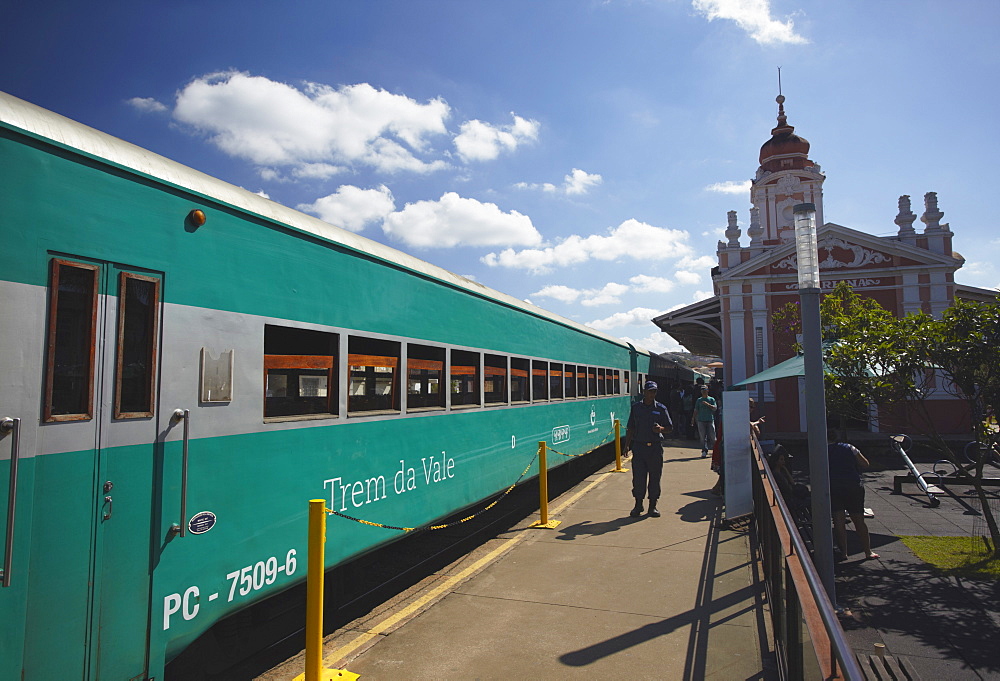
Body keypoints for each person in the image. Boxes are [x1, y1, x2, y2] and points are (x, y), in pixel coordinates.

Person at [828, 429, 879, 560]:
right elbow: (865, 463)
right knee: (859, 520)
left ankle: (844, 552)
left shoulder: (822, 450)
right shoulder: (849, 448)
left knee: (839, 521)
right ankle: (868, 551)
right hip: (853, 485)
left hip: (834, 486)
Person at [625, 380, 672, 517]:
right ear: (644, 392)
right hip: (639, 448)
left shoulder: (661, 409)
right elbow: (631, 427)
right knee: (638, 478)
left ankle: (653, 506)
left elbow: (670, 428)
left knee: (655, 478)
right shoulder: (636, 408)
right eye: (650, 391)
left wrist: (661, 429)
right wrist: (627, 445)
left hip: (655, 448)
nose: (652, 394)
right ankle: (638, 505)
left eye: (654, 391)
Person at [691, 385, 717, 458]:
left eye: (705, 390)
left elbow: (715, 408)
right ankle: (704, 450)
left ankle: (715, 450)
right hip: (701, 420)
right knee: (702, 437)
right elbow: (696, 410)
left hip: (710, 420)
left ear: (707, 390)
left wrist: (708, 404)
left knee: (712, 436)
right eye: (702, 390)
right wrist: (693, 418)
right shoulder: (699, 400)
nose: (703, 391)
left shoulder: (711, 399)